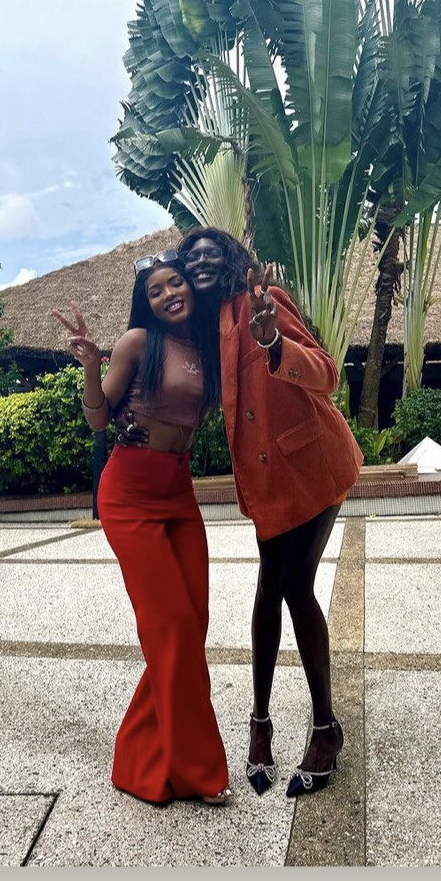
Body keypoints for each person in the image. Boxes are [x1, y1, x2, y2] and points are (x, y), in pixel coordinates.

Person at [178, 229, 363, 800]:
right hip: (265, 481)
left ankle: (326, 729)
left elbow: (327, 372)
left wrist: (275, 342)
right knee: (267, 588)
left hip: (312, 465)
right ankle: (260, 723)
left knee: (293, 585)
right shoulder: (206, 329)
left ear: (230, 259)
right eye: (191, 256)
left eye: (211, 252)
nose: (201, 260)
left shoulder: (264, 300)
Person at [51, 249, 231, 808]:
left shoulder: (209, 345)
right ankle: (200, 773)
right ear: (145, 302)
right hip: (129, 494)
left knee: (190, 625)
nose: (168, 294)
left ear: (191, 287)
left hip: (178, 491)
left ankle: (138, 757)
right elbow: (98, 417)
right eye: (156, 291)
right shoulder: (137, 342)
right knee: (170, 626)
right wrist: (91, 366)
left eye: (175, 283)